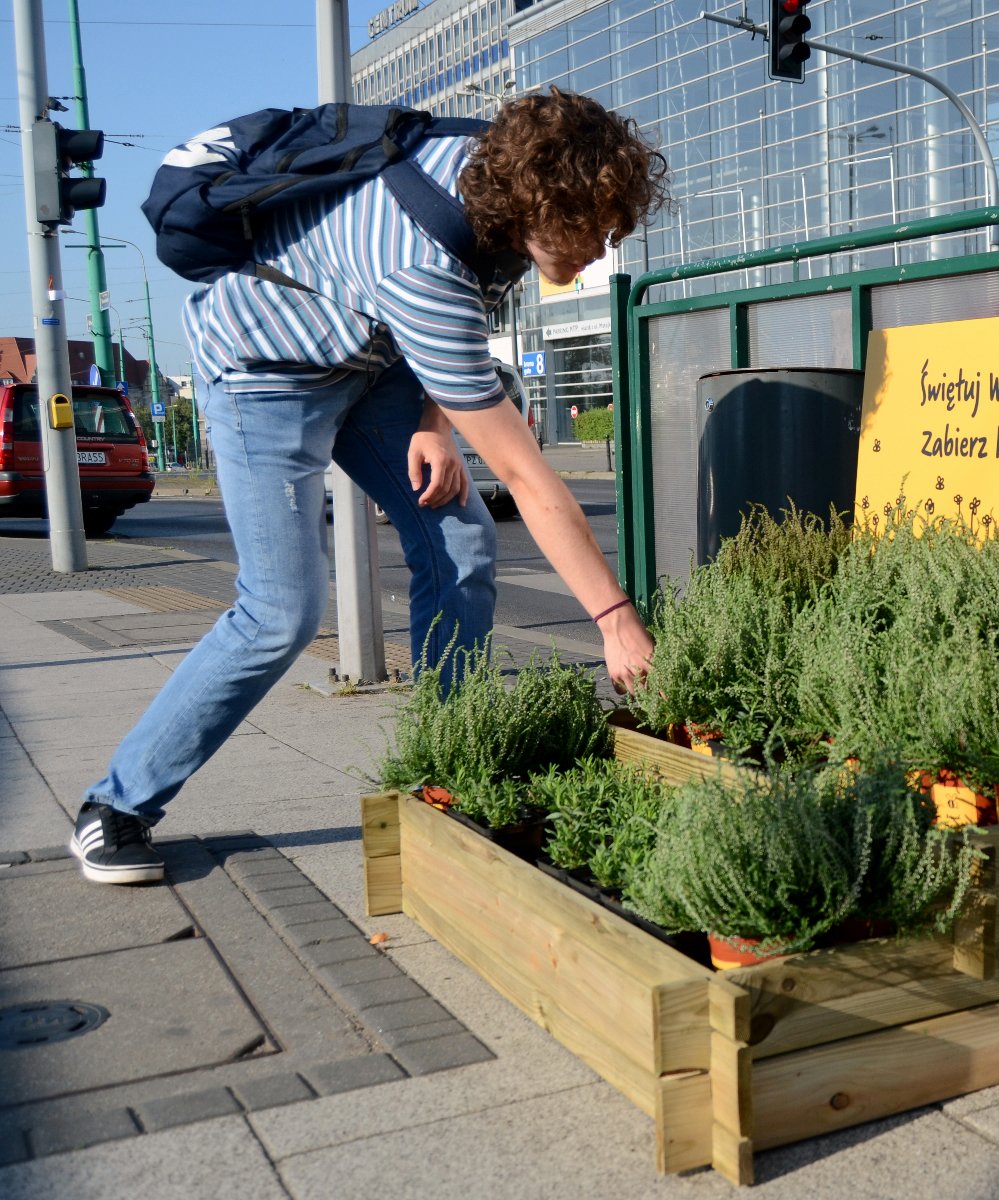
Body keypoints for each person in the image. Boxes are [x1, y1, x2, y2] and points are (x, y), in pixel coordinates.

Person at [69, 88, 669, 885]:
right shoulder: (419, 257)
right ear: (539, 197)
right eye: (590, 226)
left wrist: (434, 417)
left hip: (369, 360)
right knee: (280, 612)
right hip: (266, 374)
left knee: (459, 537)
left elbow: (465, 323)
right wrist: (614, 619)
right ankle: (117, 806)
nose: (602, 245)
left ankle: (450, 770)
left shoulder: (488, 182)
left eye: (613, 226)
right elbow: (525, 472)